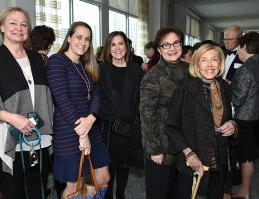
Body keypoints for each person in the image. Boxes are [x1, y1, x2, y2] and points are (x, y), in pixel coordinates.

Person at [0, 7, 54, 199]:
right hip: (7, 137)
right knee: (13, 192)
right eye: (12, 23)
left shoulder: (36, 59)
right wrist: (13, 118)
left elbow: (46, 97)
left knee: (38, 191)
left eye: (24, 24)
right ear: (2, 27)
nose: (19, 28)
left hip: (38, 138)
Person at [46, 21, 110, 198]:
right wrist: (82, 133)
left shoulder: (87, 64)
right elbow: (61, 99)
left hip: (90, 127)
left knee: (103, 176)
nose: (83, 42)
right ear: (69, 38)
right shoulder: (57, 61)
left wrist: (90, 119)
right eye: (79, 37)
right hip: (68, 130)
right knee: (74, 185)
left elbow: (96, 94)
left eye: (87, 39)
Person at [166, 44, 238, 199]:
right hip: (193, 162)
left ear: (220, 63)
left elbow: (230, 117)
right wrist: (189, 154)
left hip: (219, 161)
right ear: (197, 63)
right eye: (204, 60)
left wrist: (233, 125)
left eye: (214, 60)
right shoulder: (185, 86)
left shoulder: (224, 87)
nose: (210, 65)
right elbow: (171, 126)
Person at [139, 26, 189, 199]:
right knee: (159, 194)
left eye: (176, 43)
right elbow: (147, 115)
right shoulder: (152, 77)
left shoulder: (190, 70)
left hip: (186, 147)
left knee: (180, 193)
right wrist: (154, 149)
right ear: (159, 50)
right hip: (162, 148)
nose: (172, 48)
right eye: (166, 45)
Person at [98, 31, 143, 199]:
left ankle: (121, 194)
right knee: (108, 165)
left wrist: (136, 123)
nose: (117, 48)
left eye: (121, 44)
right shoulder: (102, 69)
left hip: (128, 127)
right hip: (107, 127)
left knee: (124, 165)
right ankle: (108, 195)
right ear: (108, 49)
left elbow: (140, 99)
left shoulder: (136, 70)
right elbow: (97, 98)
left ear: (127, 47)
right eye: (113, 44)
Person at [231, 31, 259, 199]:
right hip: (256, 116)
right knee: (252, 153)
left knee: (246, 156)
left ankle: (244, 191)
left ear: (245, 46)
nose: (237, 52)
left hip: (245, 118)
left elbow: (238, 99)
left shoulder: (245, 69)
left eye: (239, 48)